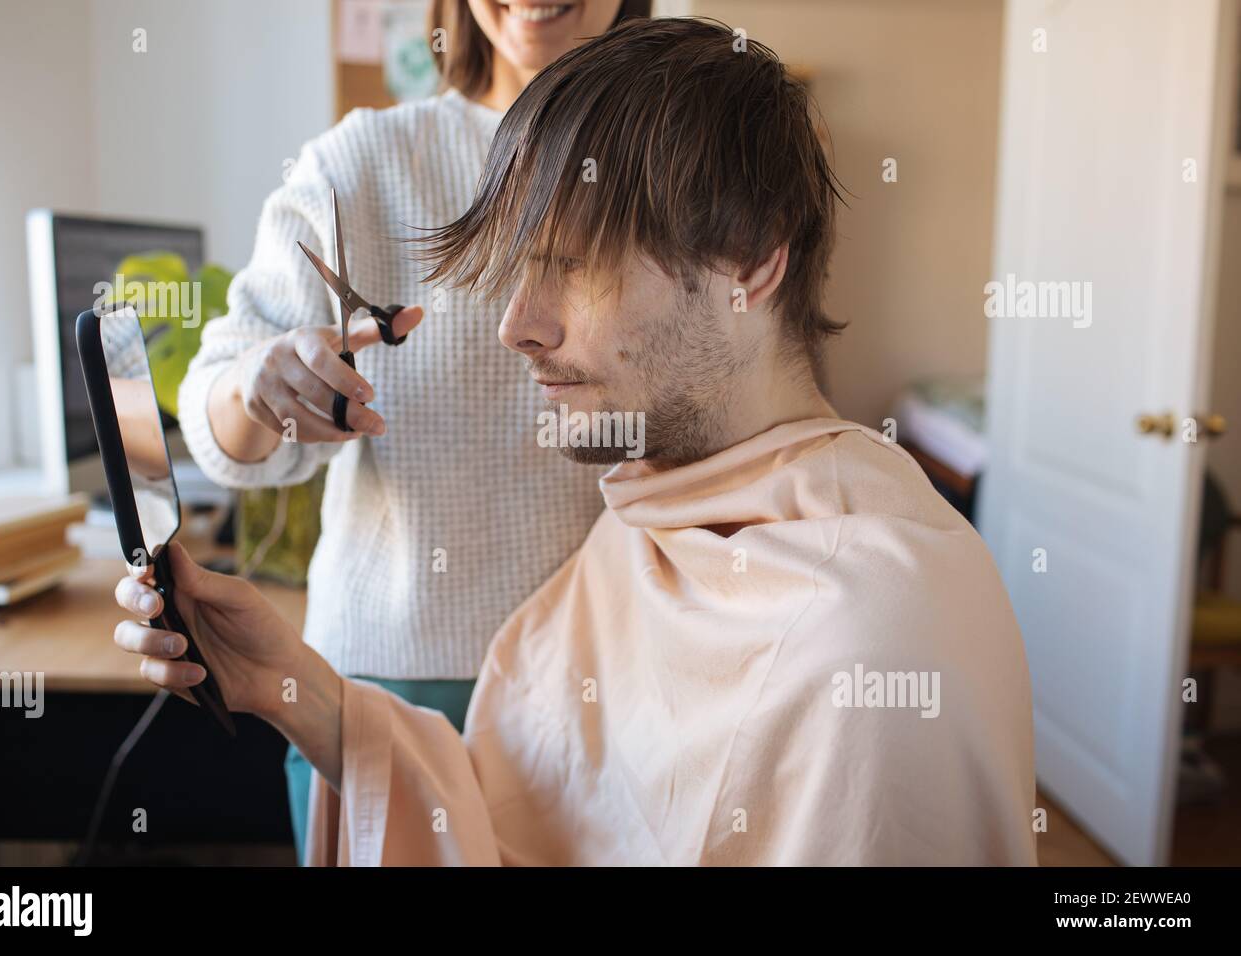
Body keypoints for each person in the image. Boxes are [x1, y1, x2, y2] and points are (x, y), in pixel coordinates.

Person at [119, 17, 1037, 865]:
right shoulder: (652, 520)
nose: (514, 325)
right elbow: (508, 816)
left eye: (573, 265)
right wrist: (287, 679)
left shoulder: (866, 644)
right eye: (520, 274)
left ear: (754, 261)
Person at [176, 0, 649, 860]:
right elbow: (216, 403)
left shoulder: (667, 168)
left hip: (604, 683)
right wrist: (258, 388)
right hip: (376, 680)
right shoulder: (362, 162)